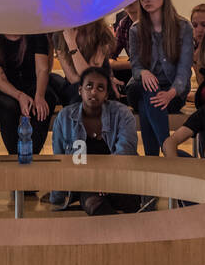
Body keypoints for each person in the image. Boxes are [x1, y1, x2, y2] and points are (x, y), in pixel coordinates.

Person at [50, 66, 140, 214]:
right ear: (80, 90)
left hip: (120, 179)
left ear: (106, 94)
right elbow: (60, 160)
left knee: (130, 202)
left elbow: (125, 153)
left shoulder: (122, 114)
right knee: (93, 200)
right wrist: (58, 196)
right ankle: (117, 235)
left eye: (100, 88)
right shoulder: (65, 117)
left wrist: (106, 179)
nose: (93, 91)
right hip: (85, 183)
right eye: (89, 86)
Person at [129, 0, 195, 158]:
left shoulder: (183, 27)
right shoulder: (135, 29)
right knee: (148, 90)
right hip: (141, 87)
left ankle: (152, 158)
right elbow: (135, 65)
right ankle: (168, 148)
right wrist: (143, 72)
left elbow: (184, 69)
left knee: (147, 103)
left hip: (173, 93)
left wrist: (171, 93)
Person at [0, 31, 63, 162]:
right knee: (7, 106)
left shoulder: (36, 32)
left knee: (45, 102)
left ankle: (32, 157)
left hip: (33, 84)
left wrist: (39, 96)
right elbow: (0, 78)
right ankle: (15, 158)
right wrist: (19, 96)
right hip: (5, 89)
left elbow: (42, 69)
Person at [52, 19, 118, 106]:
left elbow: (90, 76)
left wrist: (72, 44)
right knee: (77, 96)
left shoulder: (101, 32)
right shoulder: (59, 35)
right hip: (74, 86)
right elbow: (72, 78)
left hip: (99, 85)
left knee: (87, 95)